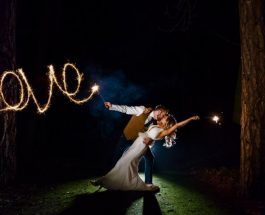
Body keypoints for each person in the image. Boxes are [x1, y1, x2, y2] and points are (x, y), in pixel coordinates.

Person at [90, 114, 200, 191]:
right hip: (137, 143)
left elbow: (177, 125)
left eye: (166, 117)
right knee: (123, 162)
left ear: (167, 122)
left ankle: (103, 181)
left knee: (126, 163)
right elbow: (149, 127)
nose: (164, 116)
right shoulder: (156, 125)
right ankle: (105, 180)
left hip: (141, 147)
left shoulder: (164, 132)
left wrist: (190, 118)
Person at [104, 102, 168, 187]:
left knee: (150, 158)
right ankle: (108, 179)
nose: (163, 117)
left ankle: (148, 183)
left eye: (164, 116)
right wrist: (112, 106)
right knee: (117, 157)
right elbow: (126, 109)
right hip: (126, 137)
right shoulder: (142, 109)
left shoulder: (155, 123)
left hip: (138, 142)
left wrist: (150, 142)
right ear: (159, 111)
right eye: (163, 114)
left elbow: (152, 136)